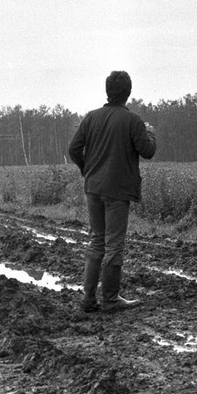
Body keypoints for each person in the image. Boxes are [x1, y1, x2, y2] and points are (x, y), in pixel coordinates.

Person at [68, 71, 156, 313]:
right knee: (114, 245)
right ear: (128, 93)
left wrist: (87, 169)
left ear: (108, 91)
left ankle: (88, 299)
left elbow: (74, 148)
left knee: (97, 241)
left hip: (93, 189)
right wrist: (150, 133)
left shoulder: (90, 118)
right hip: (117, 192)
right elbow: (147, 151)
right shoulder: (133, 121)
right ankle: (110, 299)